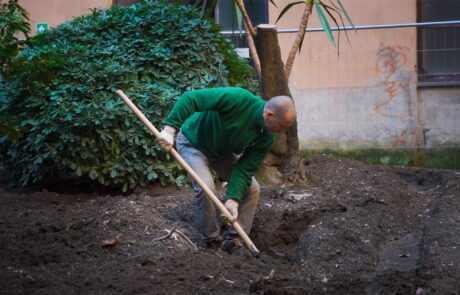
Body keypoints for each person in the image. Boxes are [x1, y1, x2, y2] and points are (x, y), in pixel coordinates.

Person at [156, 87, 296, 253]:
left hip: (221, 152)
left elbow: (245, 168)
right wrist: (169, 130)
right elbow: (191, 98)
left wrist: (233, 199)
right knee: (206, 187)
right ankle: (211, 239)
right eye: (281, 126)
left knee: (252, 189)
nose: (282, 132)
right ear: (269, 115)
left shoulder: (267, 136)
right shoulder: (238, 99)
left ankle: (235, 239)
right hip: (193, 143)